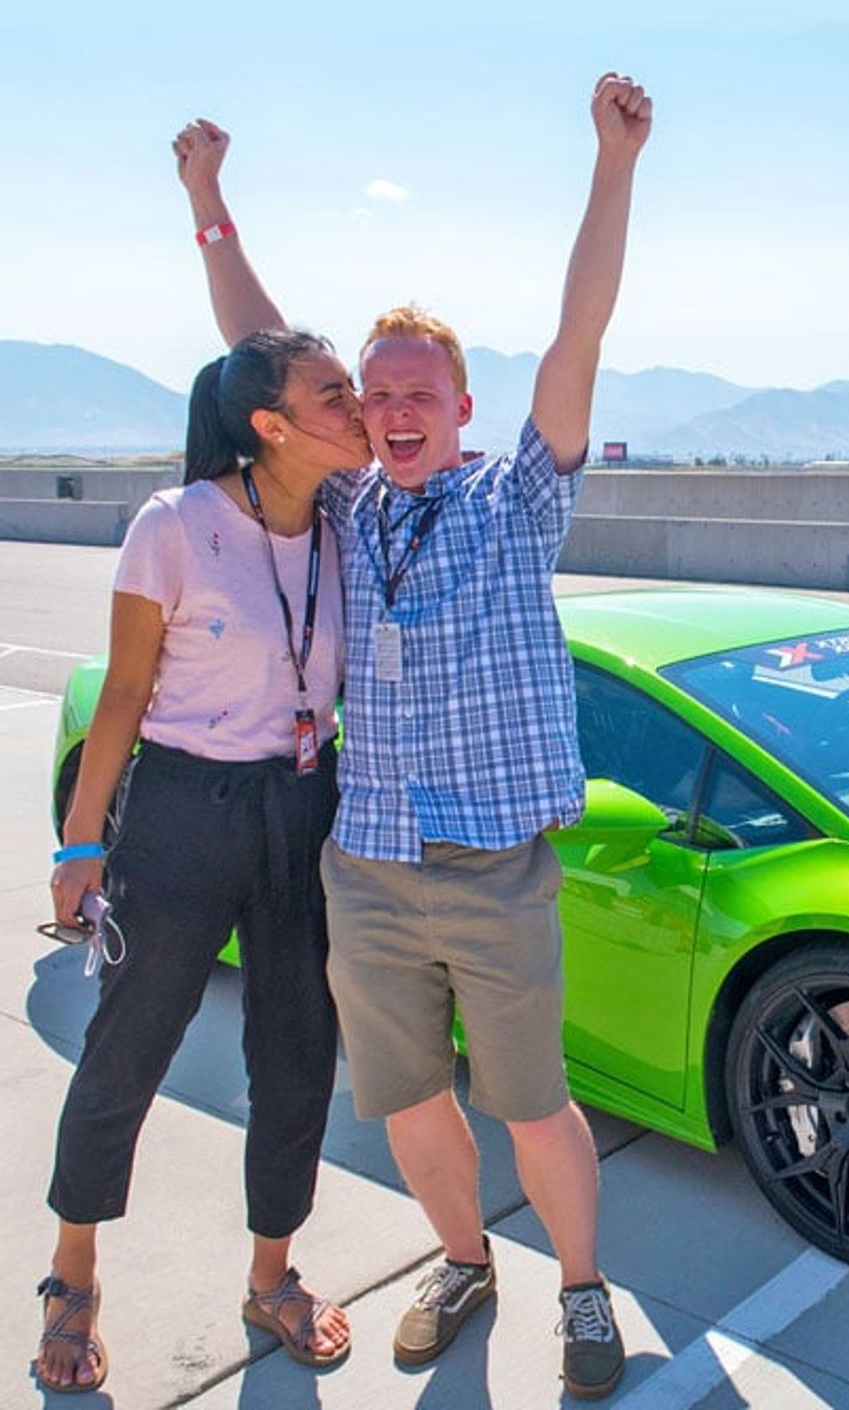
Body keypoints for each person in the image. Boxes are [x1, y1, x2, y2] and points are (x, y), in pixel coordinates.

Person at [173, 72, 651, 1399]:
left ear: (462, 408)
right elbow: (260, 355)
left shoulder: (520, 507)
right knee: (411, 1104)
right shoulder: (341, 512)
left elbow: (580, 333)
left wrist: (612, 165)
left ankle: (585, 1289)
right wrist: (210, 205)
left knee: (534, 1105)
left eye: (417, 390)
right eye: (372, 392)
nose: (390, 407)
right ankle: (462, 1260)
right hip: (366, 872)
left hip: (494, 870)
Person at [36, 329, 372, 1392]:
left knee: (296, 1053)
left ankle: (272, 1276)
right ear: (271, 426)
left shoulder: (341, 527)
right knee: (128, 1048)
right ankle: (73, 1276)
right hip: (184, 809)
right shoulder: (174, 525)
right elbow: (124, 700)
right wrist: (82, 842)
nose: (358, 405)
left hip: (302, 808)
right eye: (334, 393)